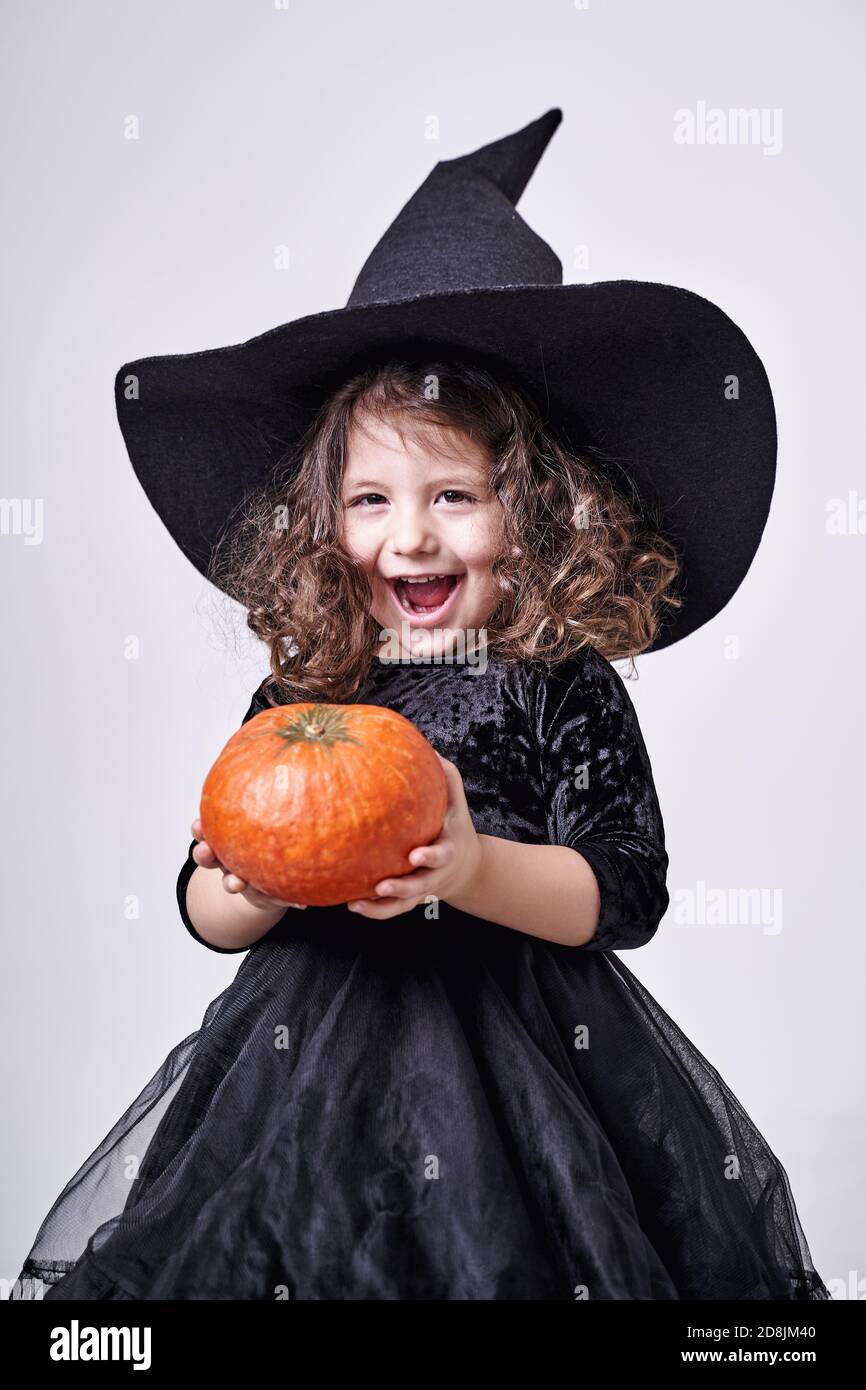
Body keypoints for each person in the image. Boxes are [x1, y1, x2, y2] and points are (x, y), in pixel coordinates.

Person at [9, 110, 830, 1301]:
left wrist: (470, 866)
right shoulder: (308, 689)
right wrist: (240, 886)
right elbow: (202, 893)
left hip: (528, 1064)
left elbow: (625, 889)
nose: (409, 535)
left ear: (539, 510)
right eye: (370, 499)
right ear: (323, 519)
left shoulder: (558, 682)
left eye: (454, 495)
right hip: (307, 1072)